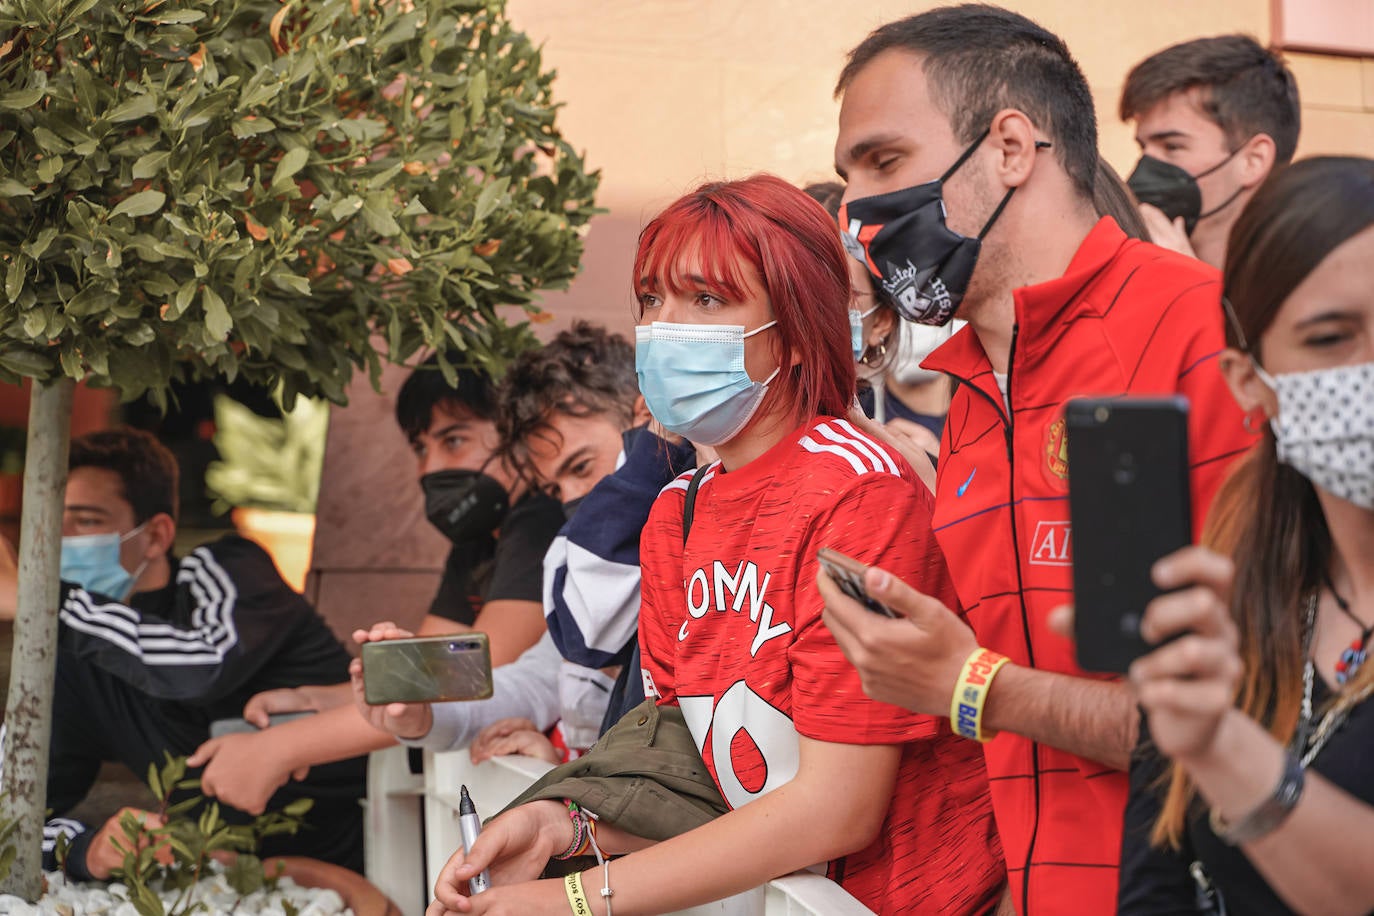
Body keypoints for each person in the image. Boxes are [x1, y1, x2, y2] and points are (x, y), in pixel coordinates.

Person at [425, 175, 1003, 916]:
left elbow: (839, 807)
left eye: (707, 300)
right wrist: (557, 826)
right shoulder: (678, 513)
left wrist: (573, 897)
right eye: (652, 300)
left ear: (797, 329)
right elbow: (697, 772)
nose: (667, 328)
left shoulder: (864, 494)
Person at [820, 6, 1254, 914]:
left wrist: (967, 685)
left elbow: (1248, 712)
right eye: (848, 176)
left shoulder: (1200, 329)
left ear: (1011, 147)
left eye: (885, 161)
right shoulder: (969, 393)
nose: (858, 209)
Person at [1117, 157, 1374, 915]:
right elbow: (1155, 879)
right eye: (1330, 339)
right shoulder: (1230, 594)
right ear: (1248, 379)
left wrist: (1224, 748)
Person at [186, 356, 564, 815]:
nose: (429, 469)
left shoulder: (539, 526)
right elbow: (422, 664)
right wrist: (315, 699)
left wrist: (280, 749)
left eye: (454, 439)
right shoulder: (480, 543)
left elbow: (467, 678)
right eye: (421, 448)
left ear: (519, 430)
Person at [0, 428, 366, 877]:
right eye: (49, 521)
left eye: (87, 521)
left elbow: (199, 666)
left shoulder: (226, 567)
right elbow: (11, 818)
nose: (60, 538)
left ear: (156, 535)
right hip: (214, 883)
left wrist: (42, 603)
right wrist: (85, 848)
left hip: (365, 862)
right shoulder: (81, 656)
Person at [1121, 34, 1300, 269]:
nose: (1145, 166)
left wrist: (1189, 287)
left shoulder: (1307, 285)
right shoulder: (1130, 270)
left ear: (1253, 160)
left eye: (1172, 146)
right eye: (1143, 147)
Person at [805, 180, 951, 456]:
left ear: (882, 321)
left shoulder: (893, 459)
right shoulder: (707, 448)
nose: (806, 311)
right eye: (790, 288)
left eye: (839, 293)